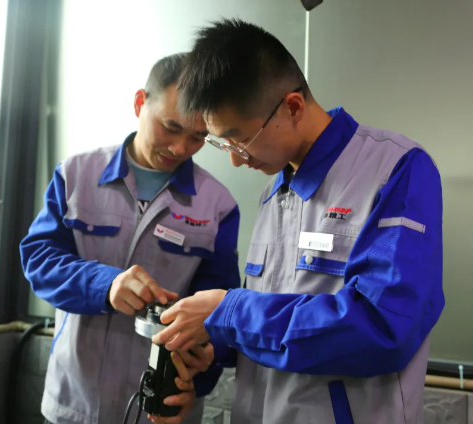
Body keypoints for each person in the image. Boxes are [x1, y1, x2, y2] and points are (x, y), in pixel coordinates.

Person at [153, 19, 445, 424]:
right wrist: (216, 342)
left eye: (240, 139)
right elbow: (278, 314)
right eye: (223, 143)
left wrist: (230, 312)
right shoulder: (274, 192)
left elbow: (383, 328)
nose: (235, 158)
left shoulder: (396, 170)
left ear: (292, 107)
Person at [20, 53, 241, 424]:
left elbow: (217, 311)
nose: (180, 148)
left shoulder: (217, 204)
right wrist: (105, 285)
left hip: (162, 408)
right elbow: (39, 261)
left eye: (198, 137)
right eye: (171, 127)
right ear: (140, 103)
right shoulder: (76, 175)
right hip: (76, 401)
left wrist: (196, 386)